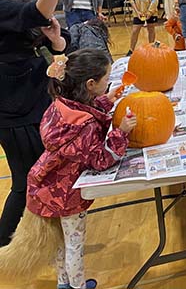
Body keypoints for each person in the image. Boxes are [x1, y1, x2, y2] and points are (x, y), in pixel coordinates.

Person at [0, 49, 136, 289]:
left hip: (47, 185)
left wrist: (108, 99)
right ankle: (77, 285)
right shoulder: (84, 126)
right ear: (91, 84)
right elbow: (102, 159)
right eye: (107, 80)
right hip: (67, 194)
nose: (109, 83)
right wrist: (121, 132)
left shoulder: (61, 105)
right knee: (74, 244)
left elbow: (85, 109)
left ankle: (63, 283)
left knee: (61, 243)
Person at [0, 0, 69, 247]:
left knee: (42, 170)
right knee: (25, 178)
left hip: (35, 95)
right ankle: (3, 241)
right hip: (12, 107)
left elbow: (49, 36)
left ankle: (43, 237)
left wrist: (56, 43)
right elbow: (39, 11)